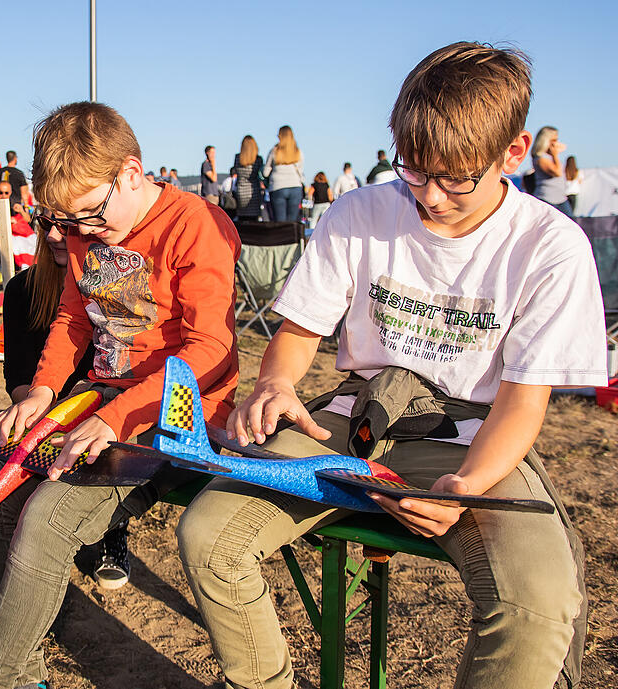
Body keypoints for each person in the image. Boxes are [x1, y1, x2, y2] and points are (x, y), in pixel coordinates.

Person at [177, 42, 603, 689]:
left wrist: (471, 483)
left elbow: (522, 401)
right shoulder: (359, 213)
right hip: (355, 420)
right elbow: (297, 333)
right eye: (413, 170)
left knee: (537, 600)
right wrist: (276, 382)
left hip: (468, 434)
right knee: (210, 536)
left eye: (454, 177)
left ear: (512, 154)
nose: (428, 196)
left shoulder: (550, 247)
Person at [0, 101, 240, 689]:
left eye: (89, 214)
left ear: (132, 173)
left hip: (182, 414)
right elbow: (74, 322)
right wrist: (42, 390)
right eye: (62, 219)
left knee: (48, 518)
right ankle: (21, 671)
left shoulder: (195, 224)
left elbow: (211, 347)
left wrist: (119, 414)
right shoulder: (86, 230)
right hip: (95, 400)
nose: (77, 232)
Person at [0, 217, 129, 588]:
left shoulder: (113, 287)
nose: (55, 235)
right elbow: (19, 378)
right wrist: (44, 415)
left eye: (65, 224)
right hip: (49, 408)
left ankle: (112, 530)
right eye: (45, 223)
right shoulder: (22, 290)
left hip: (100, 405)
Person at [262, 125, 305, 221]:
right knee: (292, 222)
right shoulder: (298, 152)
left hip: (278, 187)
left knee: (280, 222)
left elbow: (265, 172)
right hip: (295, 186)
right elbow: (300, 171)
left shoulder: (274, 151)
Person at [530, 126, 571, 216]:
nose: (556, 143)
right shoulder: (540, 159)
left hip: (561, 199)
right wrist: (555, 155)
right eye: (554, 140)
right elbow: (557, 172)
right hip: (547, 199)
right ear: (546, 140)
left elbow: (564, 147)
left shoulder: (549, 156)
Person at [0, 179, 36, 269]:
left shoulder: (14, 203)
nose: (3, 196)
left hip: (18, 237)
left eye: (6, 193)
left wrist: (21, 211)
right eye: (1, 193)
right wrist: (9, 220)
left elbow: (27, 220)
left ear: (10, 193)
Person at [232, 135, 265, 220]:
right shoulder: (258, 160)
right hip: (254, 192)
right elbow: (261, 175)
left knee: (242, 220)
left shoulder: (237, 158)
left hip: (241, 191)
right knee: (254, 220)